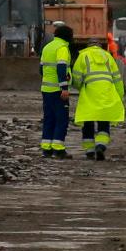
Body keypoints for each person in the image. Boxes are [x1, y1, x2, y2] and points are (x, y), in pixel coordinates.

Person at [70, 30, 126, 160]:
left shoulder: (83, 56)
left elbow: (77, 78)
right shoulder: (108, 57)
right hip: (106, 94)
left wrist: (80, 87)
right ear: (100, 46)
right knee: (103, 122)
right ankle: (100, 146)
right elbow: (117, 78)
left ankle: (89, 151)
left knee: (88, 123)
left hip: (89, 94)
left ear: (88, 46)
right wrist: (120, 96)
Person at [38, 20, 74, 158]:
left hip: (46, 89)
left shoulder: (48, 47)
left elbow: (41, 69)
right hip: (58, 91)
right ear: (68, 37)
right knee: (61, 119)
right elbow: (61, 68)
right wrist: (64, 87)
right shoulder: (62, 48)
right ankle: (58, 149)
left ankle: (46, 148)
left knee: (49, 118)